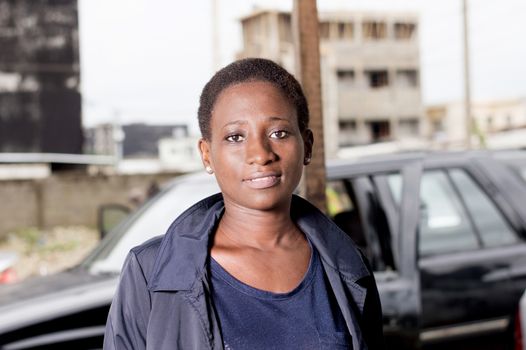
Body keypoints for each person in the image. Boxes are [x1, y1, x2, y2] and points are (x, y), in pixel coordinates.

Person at [104, 58, 384, 349]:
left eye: (279, 133)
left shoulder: (348, 265)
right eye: (235, 137)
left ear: (307, 146)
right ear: (207, 154)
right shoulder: (150, 271)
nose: (260, 154)